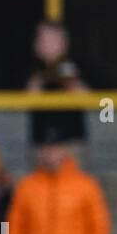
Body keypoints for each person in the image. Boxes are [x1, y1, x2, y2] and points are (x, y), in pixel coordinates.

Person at [26, 20, 90, 148]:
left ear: (63, 43)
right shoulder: (30, 68)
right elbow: (28, 97)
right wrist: (44, 75)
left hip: (72, 144)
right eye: (40, 39)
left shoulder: (78, 66)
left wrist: (67, 79)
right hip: (40, 146)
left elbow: (96, 100)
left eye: (50, 39)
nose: (43, 44)